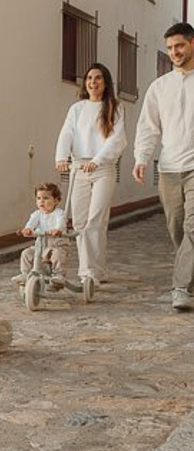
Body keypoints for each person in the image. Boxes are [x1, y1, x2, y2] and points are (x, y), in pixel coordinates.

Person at [133, 22, 194, 311]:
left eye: (179, 45)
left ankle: (180, 287)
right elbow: (148, 126)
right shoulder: (159, 87)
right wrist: (141, 158)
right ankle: (190, 279)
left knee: (193, 226)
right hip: (169, 169)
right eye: (169, 48)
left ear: (192, 44)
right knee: (177, 229)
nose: (174, 52)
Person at [55, 62, 127, 287]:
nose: (93, 82)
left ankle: (88, 273)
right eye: (89, 78)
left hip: (102, 168)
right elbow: (67, 132)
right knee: (79, 222)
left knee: (96, 220)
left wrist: (97, 160)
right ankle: (98, 269)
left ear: (105, 82)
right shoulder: (77, 108)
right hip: (79, 168)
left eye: (98, 78)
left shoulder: (115, 107)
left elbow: (117, 138)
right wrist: (61, 156)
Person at [12, 182, 68, 286]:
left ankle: (59, 275)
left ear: (56, 201)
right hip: (41, 246)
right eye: (38, 198)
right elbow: (31, 223)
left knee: (57, 255)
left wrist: (57, 230)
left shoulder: (59, 213)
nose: (41, 201)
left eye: (46, 198)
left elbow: (61, 223)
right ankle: (25, 274)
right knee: (26, 253)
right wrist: (28, 229)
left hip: (56, 245)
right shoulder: (37, 214)